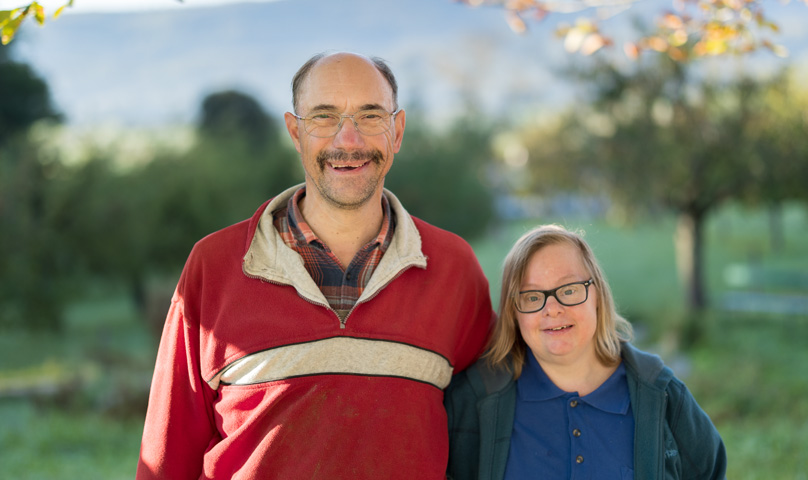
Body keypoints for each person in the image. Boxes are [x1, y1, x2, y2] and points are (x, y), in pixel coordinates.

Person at [136, 52, 494, 480]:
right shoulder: (214, 266)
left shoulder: (453, 268)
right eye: (324, 117)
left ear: (397, 131)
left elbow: (498, 417)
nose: (348, 139)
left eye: (370, 115)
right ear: (295, 131)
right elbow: (165, 457)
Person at [444, 224, 726, 480]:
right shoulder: (474, 400)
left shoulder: (661, 395)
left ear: (598, 296)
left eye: (569, 289)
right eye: (532, 296)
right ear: (513, 313)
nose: (552, 309)